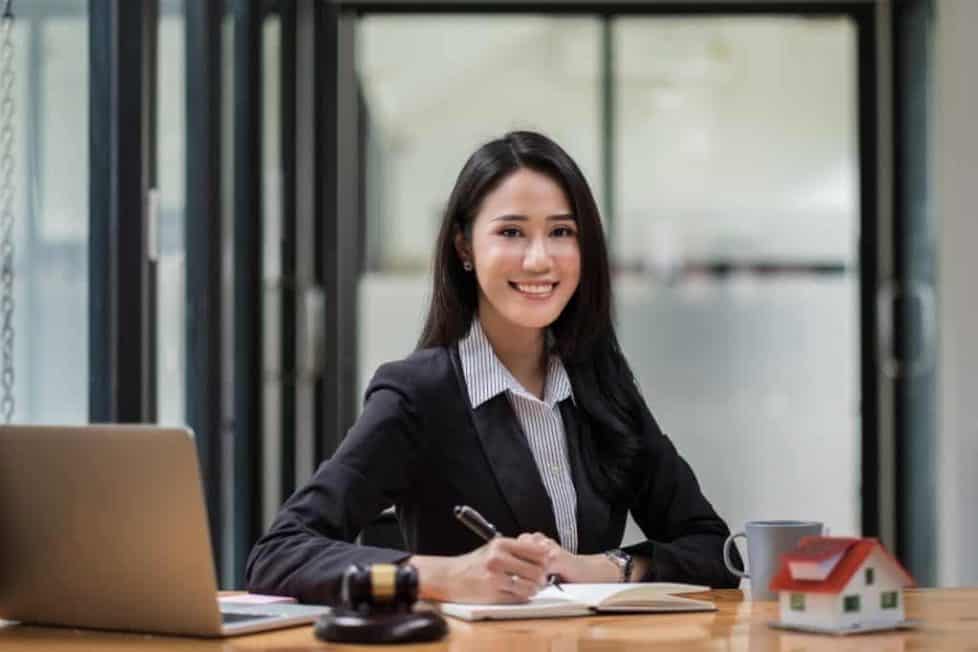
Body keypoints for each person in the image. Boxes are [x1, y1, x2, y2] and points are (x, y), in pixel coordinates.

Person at [245, 131, 741, 605]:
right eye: (511, 232)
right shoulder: (419, 394)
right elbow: (279, 553)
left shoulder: (600, 387)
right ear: (464, 246)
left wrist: (606, 566)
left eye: (562, 232)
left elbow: (715, 551)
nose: (539, 259)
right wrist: (443, 575)